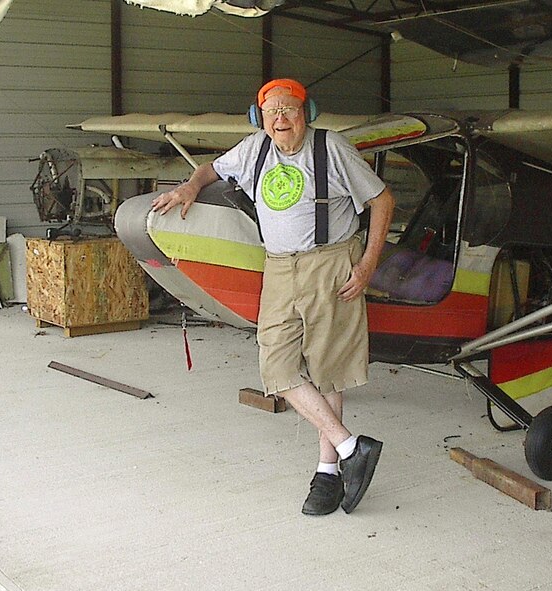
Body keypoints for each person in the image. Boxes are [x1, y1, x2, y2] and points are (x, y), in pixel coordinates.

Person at [151, 78, 395, 516]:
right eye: (272, 112)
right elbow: (212, 170)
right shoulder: (254, 148)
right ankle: (350, 446)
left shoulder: (331, 149)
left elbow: (382, 200)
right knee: (276, 365)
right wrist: (190, 186)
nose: (280, 119)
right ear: (259, 118)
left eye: (290, 110)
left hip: (330, 262)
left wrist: (367, 265)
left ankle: (327, 473)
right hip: (280, 265)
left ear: (308, 113)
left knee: (327, 370)